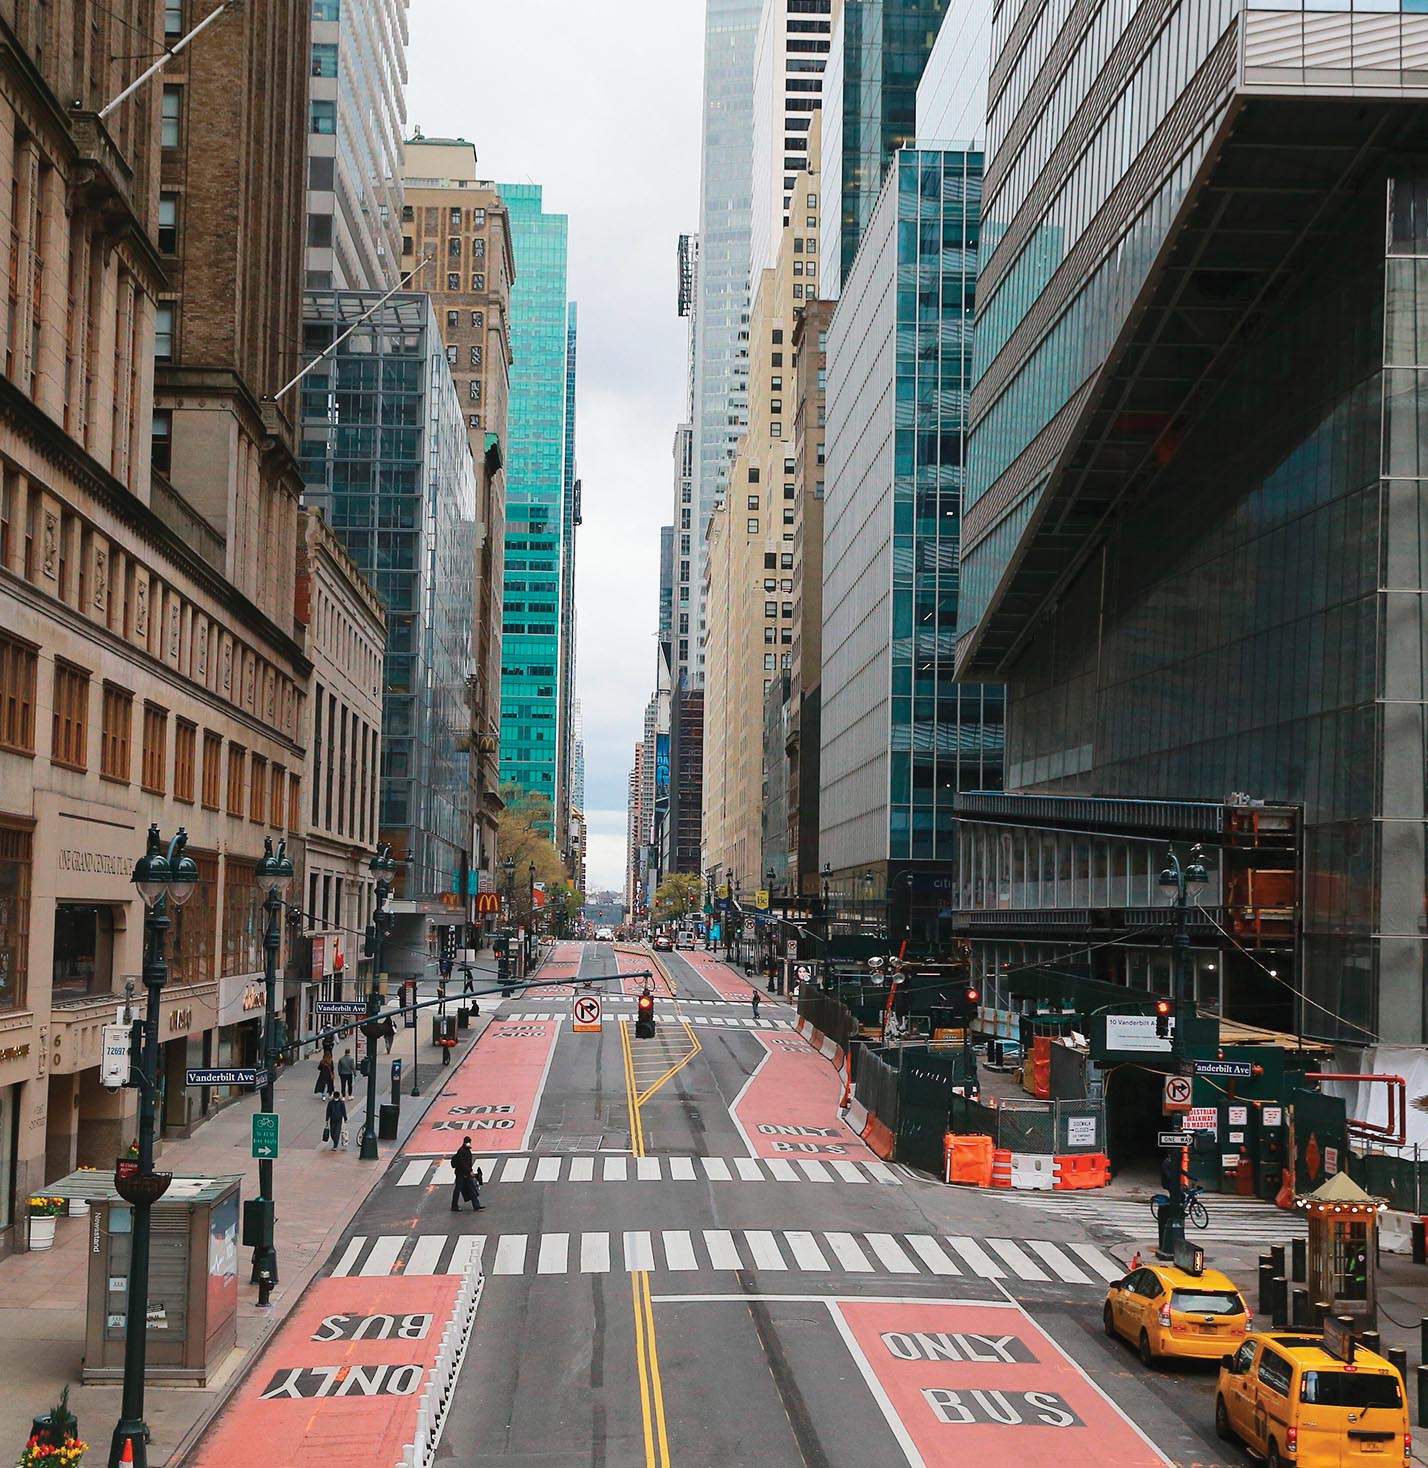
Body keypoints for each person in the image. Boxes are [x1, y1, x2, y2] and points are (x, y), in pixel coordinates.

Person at [450, 1137, 484, 1211]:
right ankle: (454, 1206)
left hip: (466, 1173)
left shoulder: (466, 1150)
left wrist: (470, 1171)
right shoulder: (462, 1151)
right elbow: (463, 1164)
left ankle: (476, 1205)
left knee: (471, 1188)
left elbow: (467, 1163)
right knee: (458, 1189)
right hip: (461, 1174)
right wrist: (469, 1171)